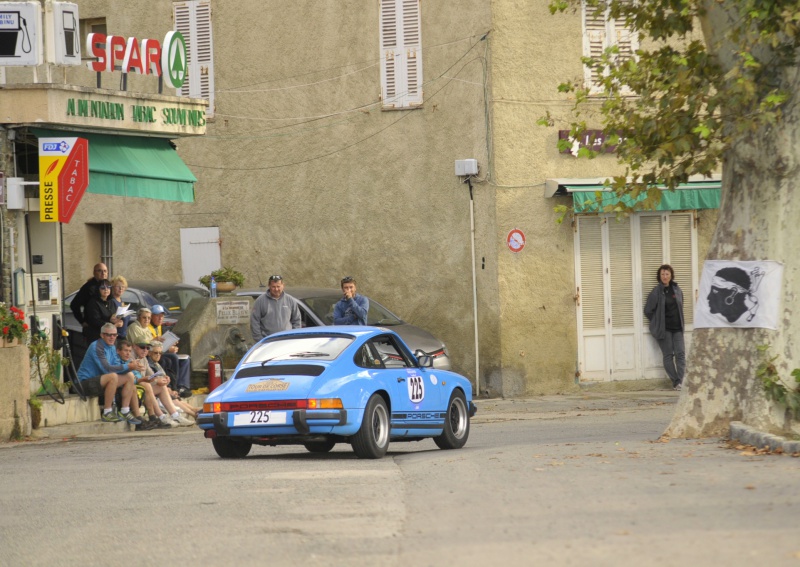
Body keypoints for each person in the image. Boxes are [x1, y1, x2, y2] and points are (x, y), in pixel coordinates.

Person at [75, 322, 144, 425]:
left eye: (114, 335)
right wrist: (128, 366)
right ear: (102, 335)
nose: (112, 337)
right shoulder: (96, 347)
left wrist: (132, 367)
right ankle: (107, 412)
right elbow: (106, 369)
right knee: (113, 376)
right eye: (109, 335)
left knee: (129, 375)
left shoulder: (112, 346)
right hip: (84, 383)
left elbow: (116, 365)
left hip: (100, 381)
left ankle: (125, 410)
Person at [127, 341, 193, 427]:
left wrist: (162, 378)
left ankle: (175, 415)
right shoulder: (131, 358)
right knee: (147, 385)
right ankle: (161, 416)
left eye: (147, 348)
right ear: (134, 347)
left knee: (161, 386)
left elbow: (151, 374)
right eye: (142, 347)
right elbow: (136, 379)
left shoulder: (143, 359)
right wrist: (155, 381)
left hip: (144, 386)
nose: (145, 350)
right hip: (134, 387)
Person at [644, 264, 686, 391]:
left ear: (671, 275)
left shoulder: (677, 290)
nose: (665, 276)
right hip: (664, 330)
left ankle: (682, 380)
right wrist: (657, 322)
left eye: (667, 274)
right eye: (662, 274)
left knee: (681, 354)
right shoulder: (656, 291)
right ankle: (676, 382)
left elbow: (680, 305)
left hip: (677, 327)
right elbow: (648, 310)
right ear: (659, 276)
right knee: (668, 355)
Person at [148, 304, 192, 398]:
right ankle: (174, 387)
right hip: (154, 353)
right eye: (157, 316)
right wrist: (168, 349)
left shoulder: (159, 327)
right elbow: (150, 345)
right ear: (152, 316)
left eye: (162, 316)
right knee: (172, 358)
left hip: (161, 351)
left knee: (186, 359)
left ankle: (183, 386)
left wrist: (170, 345)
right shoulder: (148, 327)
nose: (160, 318)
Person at [147, 343, 199, 419]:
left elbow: (160, 378)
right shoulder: (149, 364)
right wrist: (164, 385)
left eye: (160, 353)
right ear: (150, 353)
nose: (158, 355)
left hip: (161, 389)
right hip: (154, 391)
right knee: (171, 397)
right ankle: (193, 413)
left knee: (172, 396)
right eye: (156, 353)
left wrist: (167, 383)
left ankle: (194, 410)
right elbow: (150, 378)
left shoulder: (157, 364)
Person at [250, 275, 302, 341]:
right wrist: (260, 339)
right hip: (268, 341)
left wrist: (294, 337)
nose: (276, 289)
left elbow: (297, 320)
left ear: (283, 285)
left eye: (278, 286)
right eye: (273, 287)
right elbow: (254, 321)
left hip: (287, 340)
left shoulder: (290, 300)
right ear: (269, 286)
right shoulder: (260, 301)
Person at [70, 263, 109, 331]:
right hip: (93, 327)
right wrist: (82, 321)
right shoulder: (88, 287)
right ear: (94, 272)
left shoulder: (108, 285)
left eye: (105, 271)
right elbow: (74, 305)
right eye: (99, 271)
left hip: (105, 325)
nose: (103, 273)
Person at [83, 279, 121, 343]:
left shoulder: (111, 301)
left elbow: (113, 315)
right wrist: (112, 325)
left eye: (108, 287)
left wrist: (117, 320)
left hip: (111, 336)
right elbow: (95, 321)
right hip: (97, 336)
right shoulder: (93, 302)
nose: (106, 289)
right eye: (103, 288)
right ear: (98, 289)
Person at [109, 275, 133, 339]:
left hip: (123, 335)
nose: (121, 288)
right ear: (113, 287)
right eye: (118, 286)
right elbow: (111, 319)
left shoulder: (121, 300)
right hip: (115, 336)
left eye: (123, 286)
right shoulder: (111, 301)